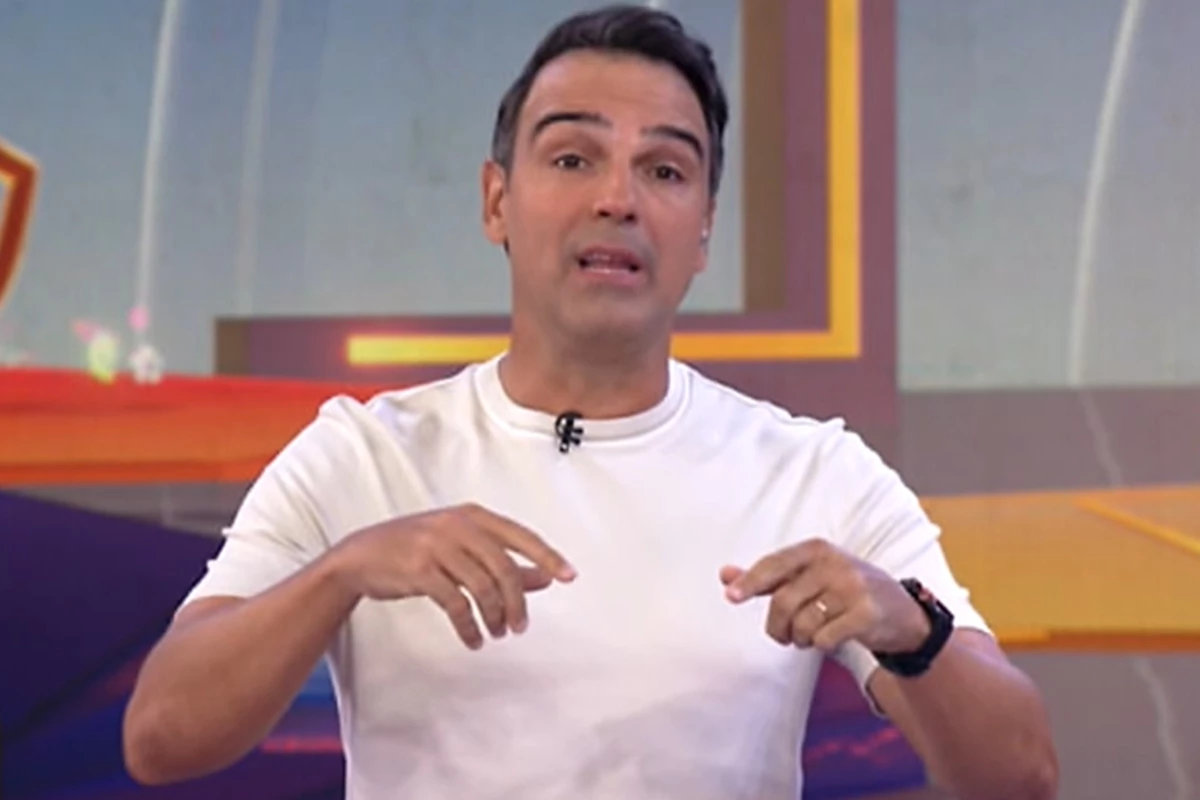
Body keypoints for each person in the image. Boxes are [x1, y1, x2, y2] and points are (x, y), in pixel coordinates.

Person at [122, 5, 1058, 799]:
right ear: (496, 201)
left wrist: (912, 628)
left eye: (665, 170)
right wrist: (341, 574)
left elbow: (1022, 775)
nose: (618, 199)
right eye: (573, 159)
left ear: (704, 230)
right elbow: (161, 735)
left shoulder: (817, 473)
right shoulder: (363, 456)